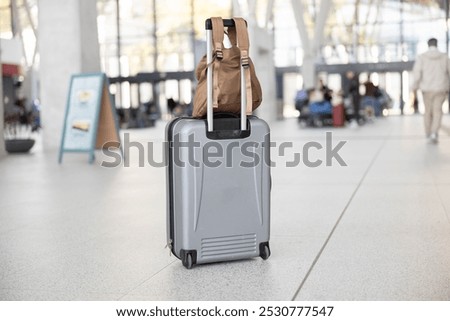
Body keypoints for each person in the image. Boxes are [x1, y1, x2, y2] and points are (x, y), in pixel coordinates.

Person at [412, 38, 450, 144]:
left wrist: (414, 87)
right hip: (441, 89)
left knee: (428, 112)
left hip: (426, 89)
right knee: (437, 111)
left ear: (428, 45)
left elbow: (417, 74)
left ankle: (428, 133)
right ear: (437, 44)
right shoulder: (444, 56)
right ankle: (434, 133)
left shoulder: (422, 57)